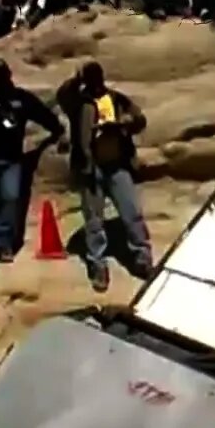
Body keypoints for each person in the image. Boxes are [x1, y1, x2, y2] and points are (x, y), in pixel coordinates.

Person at [0, 59, 65, 265]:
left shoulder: (20, 99)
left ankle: (6, 243)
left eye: (3, 73)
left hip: (12, 159)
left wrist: (57, 131)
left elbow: (41, 113)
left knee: (10, 198)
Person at [71, 61, 152, 293]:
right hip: (91, 168)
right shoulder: (78, 102)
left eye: (98, 77)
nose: (96, 82)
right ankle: (98, 265)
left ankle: (142, 260)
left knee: (132, 213)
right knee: (94, 220)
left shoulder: (116, 98)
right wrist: (75, 81)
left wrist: (121, 125)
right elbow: (63, 94)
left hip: (117, 164)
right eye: (90, 78)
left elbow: (139, 119)